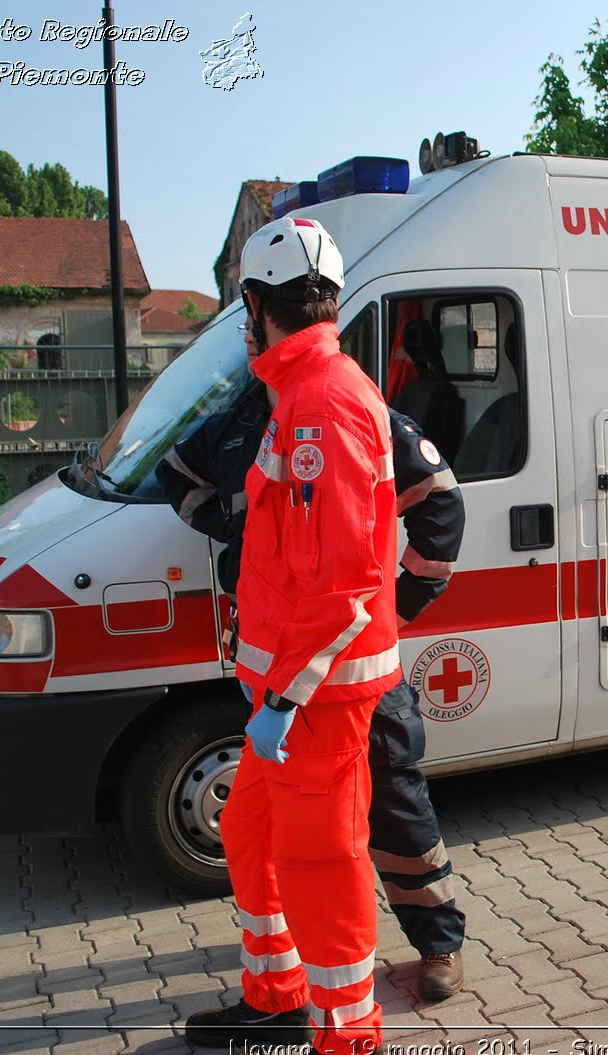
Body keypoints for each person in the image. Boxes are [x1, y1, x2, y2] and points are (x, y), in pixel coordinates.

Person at [158, 398, 470, 1005]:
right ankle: (297, 950)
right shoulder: (239, 418)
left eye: (257, 321)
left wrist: (394, 609)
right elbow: (175, 473)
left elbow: (440, 502)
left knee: (392, 800)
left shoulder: (349, 410)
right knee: (277, 820)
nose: (251, 339)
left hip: (349, 661)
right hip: (276, 658)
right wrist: (240, 531)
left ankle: (437, 940)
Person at [182, 216, 397, 1055]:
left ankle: (349, 1040)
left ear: (258, 305)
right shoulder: (299, 393)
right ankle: (277, 997)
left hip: (316, 693)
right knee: (248, 834)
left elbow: (344, 582)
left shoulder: (326, 403)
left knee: (320, 856)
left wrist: (284, 694)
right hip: (286, 684)